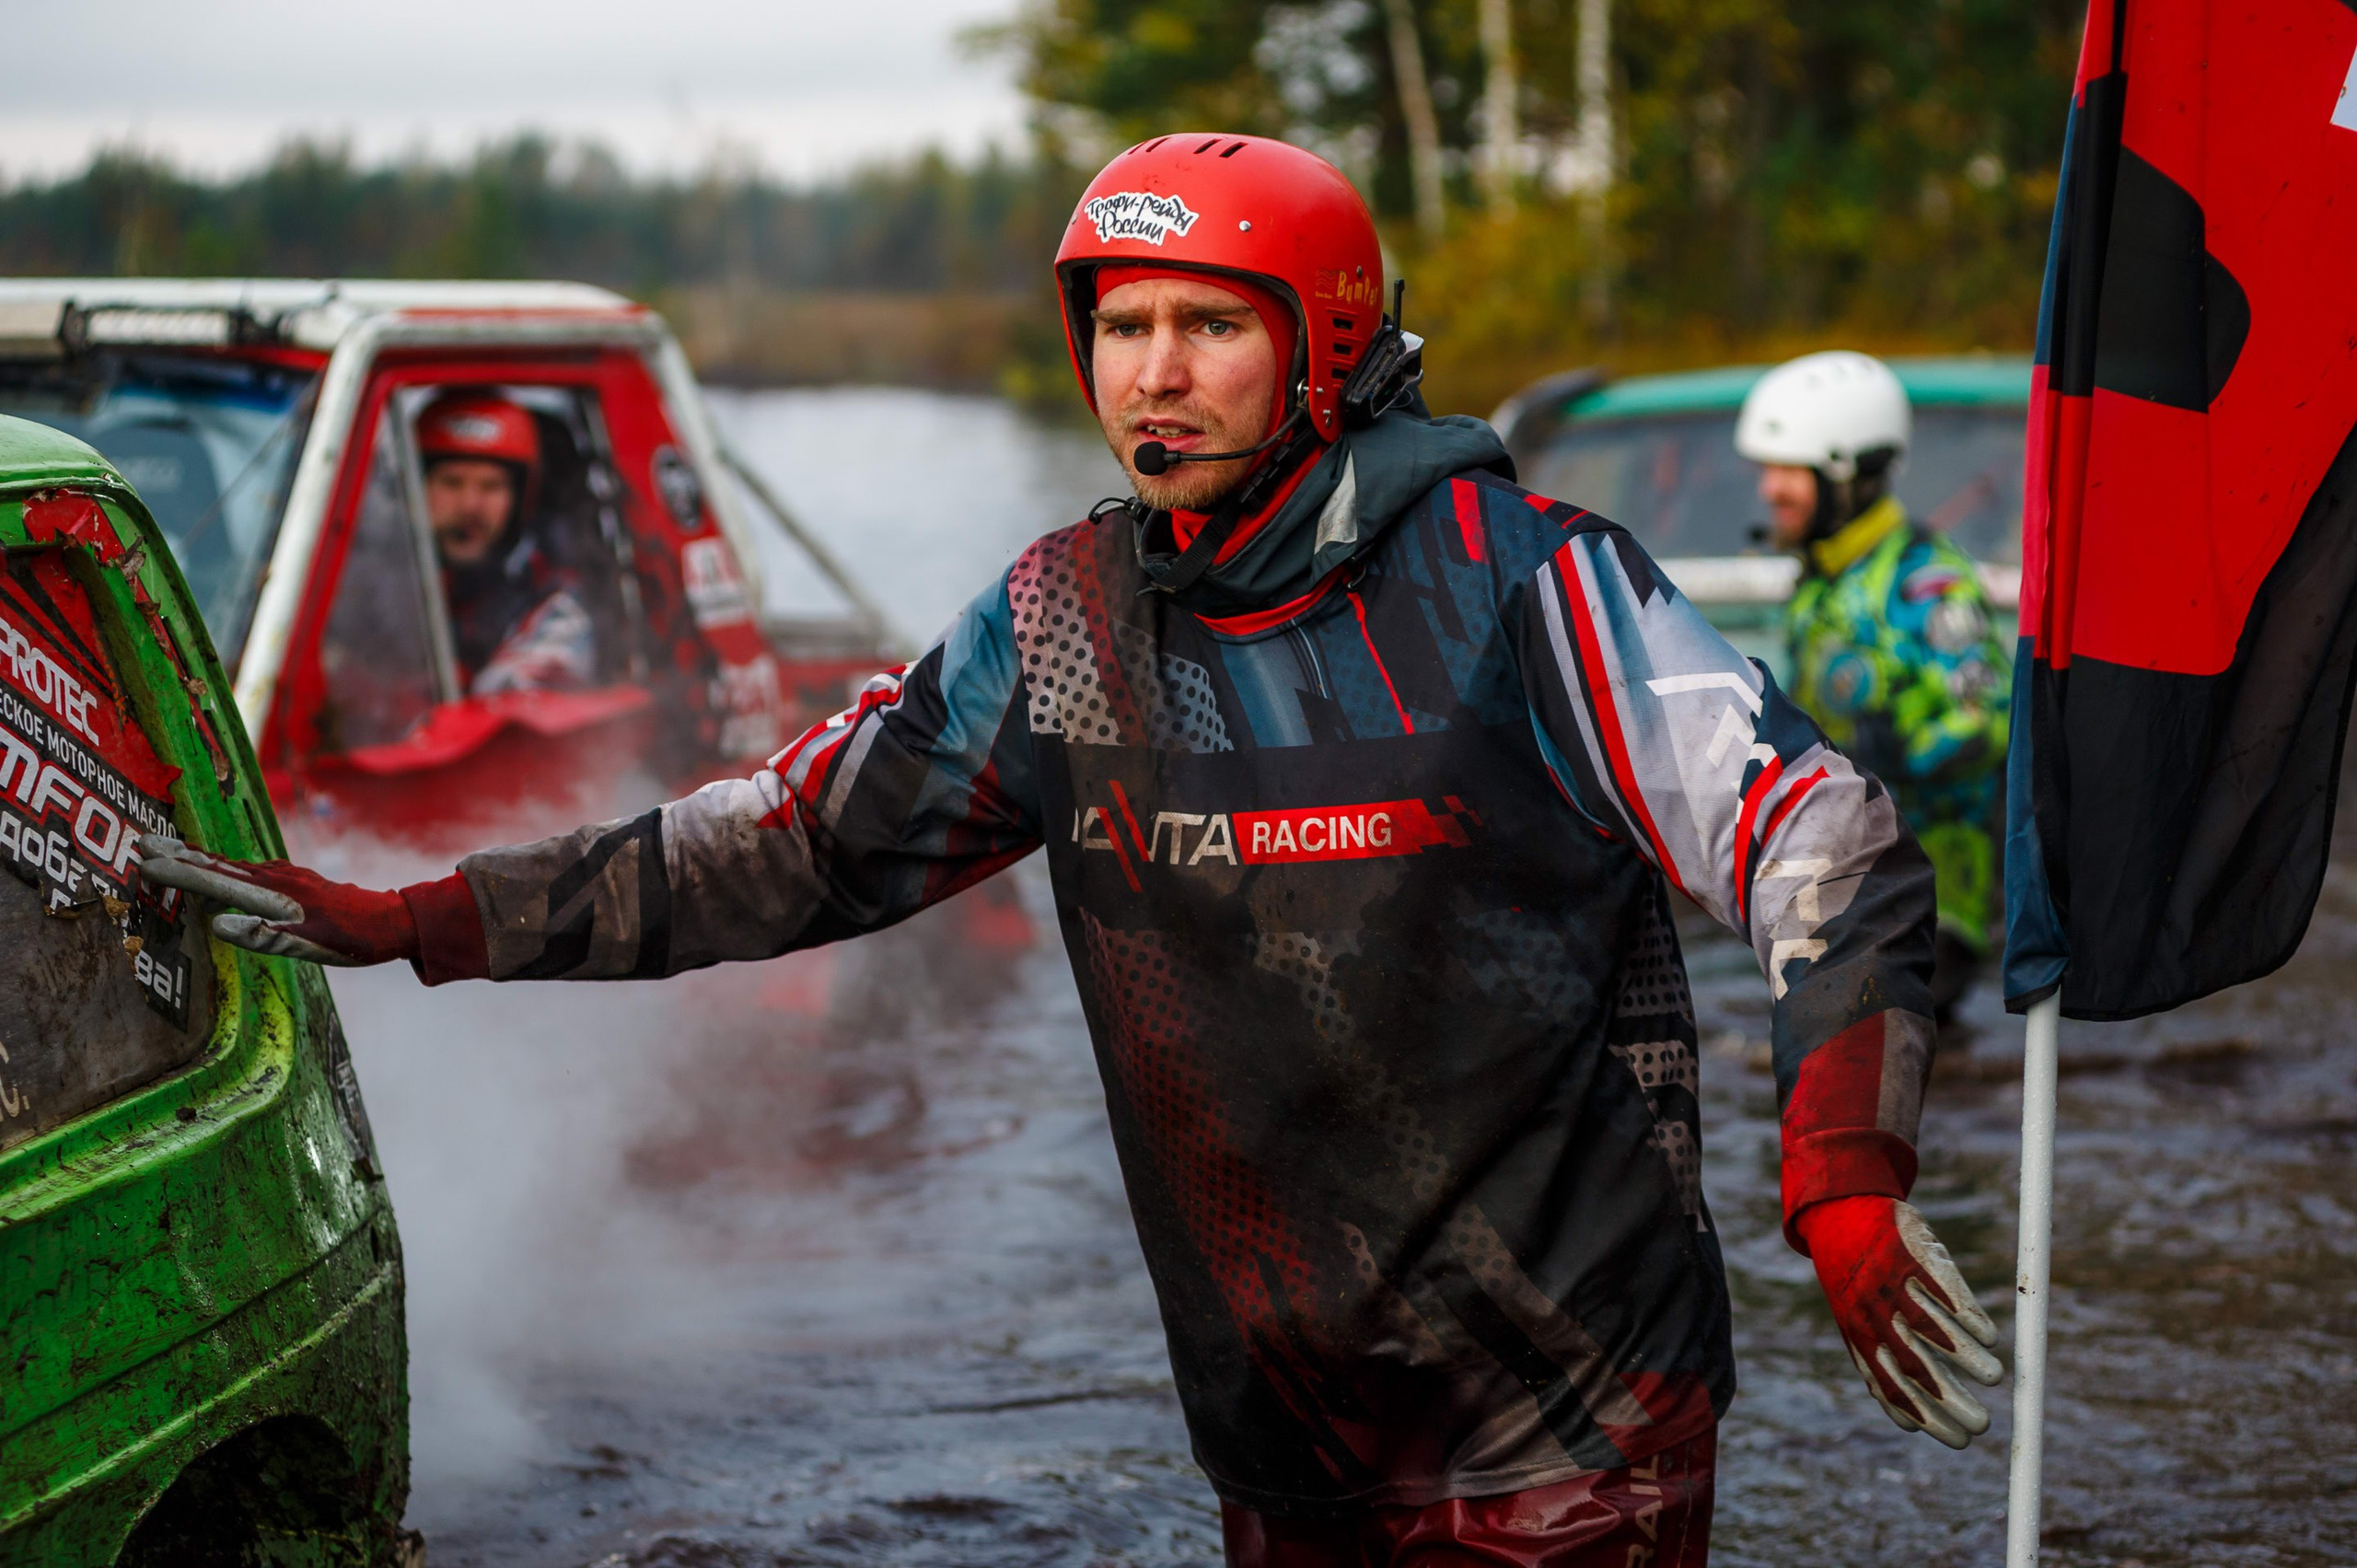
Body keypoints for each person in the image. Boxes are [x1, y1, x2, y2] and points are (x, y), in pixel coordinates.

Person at [142, 137, 2001, 1566]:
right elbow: (782, 844)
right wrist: (414, 915)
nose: (1153, 375)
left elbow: (1813, 836)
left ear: (1326, 341)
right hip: (1281, 1414)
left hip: (1572, 1410)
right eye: (1119, 326)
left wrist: (1837, 1166)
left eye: (1209, 323)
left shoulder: (1525, 582)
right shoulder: (1058, 622)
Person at [1736, 353, 2011, 1027]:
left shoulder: (1924, 582)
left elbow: (1988, 719)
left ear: (1846, 476)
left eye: (1788, 472)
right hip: (1845, 884)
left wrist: (1893, 756)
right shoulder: (1821, 579)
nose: (1770, 490)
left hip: (1927, 896)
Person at [414, 391, 597, 695]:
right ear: (415, 488)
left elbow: (520, 716)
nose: (470, 505)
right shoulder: (370, 586)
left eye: (491, 486)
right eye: (451, 483)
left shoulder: (552, 602)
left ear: (520, 500)